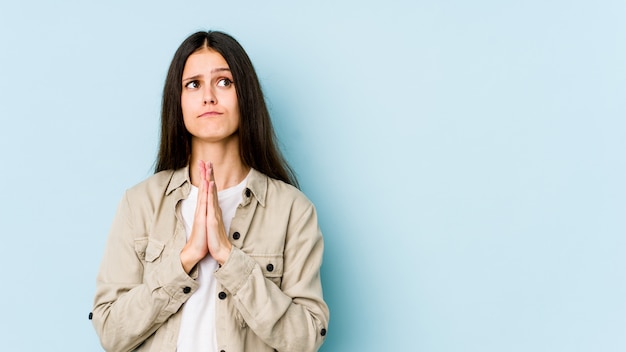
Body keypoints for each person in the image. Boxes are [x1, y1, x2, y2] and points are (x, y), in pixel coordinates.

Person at [91, 31, 329, 352]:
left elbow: (306, 338)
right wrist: (186, 257)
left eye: (224, 82)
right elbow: (111, 332)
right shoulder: (140, 204)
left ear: (245, 94)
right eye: (193, 84)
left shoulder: (292, 210)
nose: (208, 97)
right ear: (178, 101)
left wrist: (229, 259)